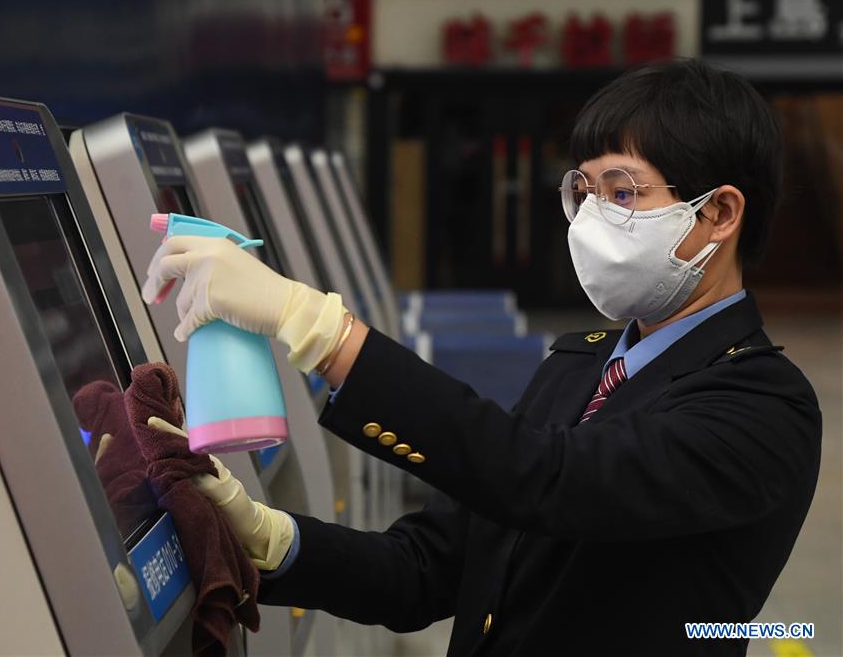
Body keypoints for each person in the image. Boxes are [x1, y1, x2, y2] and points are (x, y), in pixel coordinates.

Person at [143, 59, 822, 656]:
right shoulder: (580, 366)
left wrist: (322, 330)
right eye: (582, 193)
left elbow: (543, 479)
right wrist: (273, 541)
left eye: (622, 192)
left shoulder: (762, 409)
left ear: (721, 212)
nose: (589, 220)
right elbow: (427, 567)